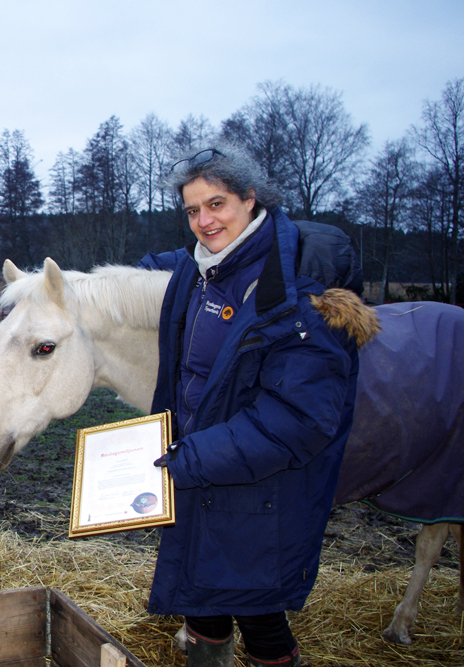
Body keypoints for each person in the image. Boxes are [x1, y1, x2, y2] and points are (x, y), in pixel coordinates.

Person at [139, 143, 369, 667]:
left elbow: (299, 419)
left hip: (259, 484)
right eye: (192, 210)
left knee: (259, 612)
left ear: (250, 199)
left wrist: (190, 460)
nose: (203, 220)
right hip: (204, 468)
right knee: (203, 596)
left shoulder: (294, 292)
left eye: (216, 204)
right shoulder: (201, 273)